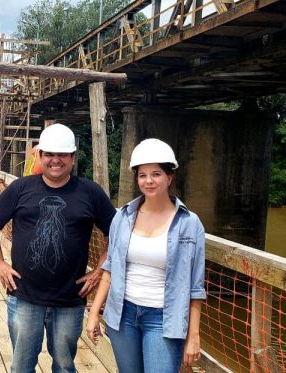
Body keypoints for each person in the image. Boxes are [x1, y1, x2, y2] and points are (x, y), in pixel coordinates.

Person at [0, 123, 116, 373]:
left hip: (69, 300)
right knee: (22, 366)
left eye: (62, 154)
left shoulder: (90, 192)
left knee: (64, 366)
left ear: (73, 158)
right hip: (24, 296)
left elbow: (116, 233)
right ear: (39, 156)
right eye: (49, 154)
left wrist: (100, 269)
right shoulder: (21, 188)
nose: (56, 160)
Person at [85, 138, 206, 373]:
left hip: (163, 319)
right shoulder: (123, 217)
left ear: (169, 178)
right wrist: (93, 313)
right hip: (123, 314)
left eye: (156, 174)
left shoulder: (189, 224)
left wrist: (193, 335)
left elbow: (195, 286)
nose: (149, 181)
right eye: (142, 175)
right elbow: (110, 269)